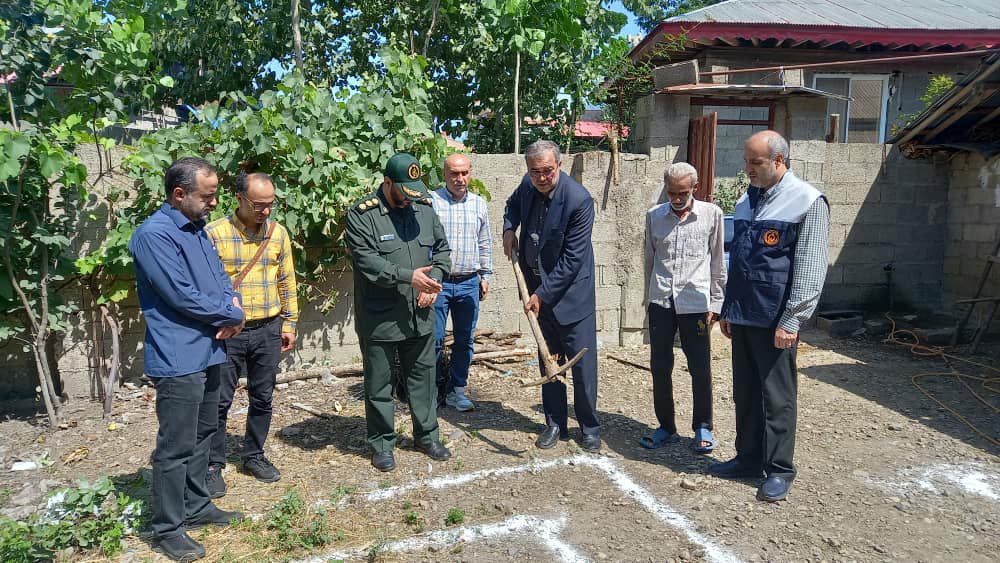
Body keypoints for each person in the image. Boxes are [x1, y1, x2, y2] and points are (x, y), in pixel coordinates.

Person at [129, 157, 246, 562]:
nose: (213, 203)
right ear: (179, 194)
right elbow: (179, 294)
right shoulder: (154, 235)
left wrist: (234, 307)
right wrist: (231, 314)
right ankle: (167, 529)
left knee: (204, 433)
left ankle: (196, 506)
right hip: (180, 356)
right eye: (207, 196)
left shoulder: (198, 231)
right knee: (175, 445)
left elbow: (220, 280)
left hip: (211, 348)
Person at [710, 130, 830, 503]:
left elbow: (810, 267)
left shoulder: (807, 201)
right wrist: (730, 308)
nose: (748, 169)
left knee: (777, 397)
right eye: (746, 161)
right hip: (744, 315)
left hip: (776, 319)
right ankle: (747, 458)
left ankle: (778, 469)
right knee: (744, 393)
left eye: (755, 162)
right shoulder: (748, 201)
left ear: (779, 161)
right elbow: (740, 264)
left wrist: (793, 319)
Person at [345, 152, 453, 472]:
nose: (408, 200)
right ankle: (381, 443)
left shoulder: (423, 209)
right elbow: (368, 263)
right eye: (402, 192)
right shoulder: (363, 215)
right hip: (380, 316)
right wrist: (410, 278)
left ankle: (427, 435)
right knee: (379, 383)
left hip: (419, 314)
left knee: (423, 378)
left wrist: (433, 281)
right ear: (387, 183)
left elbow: (443, 250)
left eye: (413, 192)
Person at [502, 140, 600, 452]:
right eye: (535, 172)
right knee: (549, 361)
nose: (542, 177)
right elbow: (512, 206)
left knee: (582, 368)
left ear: (559, 165)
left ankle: (589, 426)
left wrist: (541, 294)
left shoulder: (579, 200)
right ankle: (554, 423)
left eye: (547, 171)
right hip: (539, 293)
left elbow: (572, 259)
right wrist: (508, 229)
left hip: (572, 296)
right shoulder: (526, 186)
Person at [204, 171, 298, 496]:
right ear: (240, 199)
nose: (266, 211)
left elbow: (287, 279)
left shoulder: (278, 234)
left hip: (268, 329)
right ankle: (213, 464)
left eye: (270, 204)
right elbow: (204, 286)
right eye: (259, 205)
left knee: (263, 397)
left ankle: (253, 455)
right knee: (219, 401)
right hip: (228, 333)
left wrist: (290, 323)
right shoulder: (214, 233)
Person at [641, 162, 726, 453]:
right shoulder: (654, 217)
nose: (676, 198)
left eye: (683, 192)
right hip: (661, 302)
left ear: (695, 188)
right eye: (672, 192)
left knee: (700, 367)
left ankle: (703, 426)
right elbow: (649, 262)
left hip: (696, 304)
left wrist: (716, 302)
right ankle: (666, 426)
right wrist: (648, 299)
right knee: (660, 366)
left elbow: (717, 263)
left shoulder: (712, 215)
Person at [430, 153, 493, 412]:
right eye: (454, 173)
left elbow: (484, 241)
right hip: (438, 284)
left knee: (465, 340)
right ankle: (431, 394)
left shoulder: (479, 204)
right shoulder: (431, 202)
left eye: (464, 173)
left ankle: (457, 391)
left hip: (469, 282)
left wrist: (486, 275)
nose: (460, 178)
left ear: (470, 173)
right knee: (432, 340)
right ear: (444, 175)